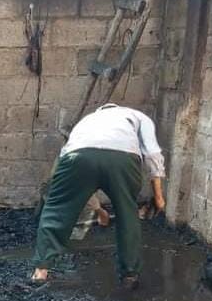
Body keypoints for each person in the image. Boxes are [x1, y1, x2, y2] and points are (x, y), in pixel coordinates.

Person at [32, 103, 165, 288]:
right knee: (127, 213)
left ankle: (41, 271)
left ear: (100, 111)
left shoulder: (87, 121)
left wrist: (99, 211)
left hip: (77, 157)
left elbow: (79, 187)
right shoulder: (139, 117)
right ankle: (129, 275)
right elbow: (152, 154)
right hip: (122, 160)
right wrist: (158, 197)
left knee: (56, 210)